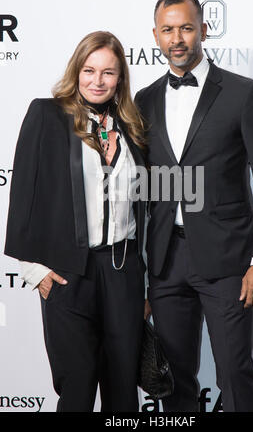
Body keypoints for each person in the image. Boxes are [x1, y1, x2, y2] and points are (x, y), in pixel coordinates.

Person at [135, 0, 253, 412]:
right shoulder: (144, 100)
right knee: (174, 378)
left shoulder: (241, 93)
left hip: (229, 263)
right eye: (168, 30)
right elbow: (141, 190)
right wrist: (140, 274)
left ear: (203, 29)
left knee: (235, 374)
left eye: (186, 27)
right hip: (166, 262)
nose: (177, 38)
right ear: (155, 35)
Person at [5, 31, 147, 412]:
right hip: (69, 270)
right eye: (89, 70)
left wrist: (146, 277)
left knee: (122, 389)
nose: (97, 81)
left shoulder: (133, 127)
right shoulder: (46, 115)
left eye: (108, 73)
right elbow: (22, 195)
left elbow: (146, 206)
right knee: (77, 383)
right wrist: (33, 268)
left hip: (123, 269)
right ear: (76, 70)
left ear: (120, 79)